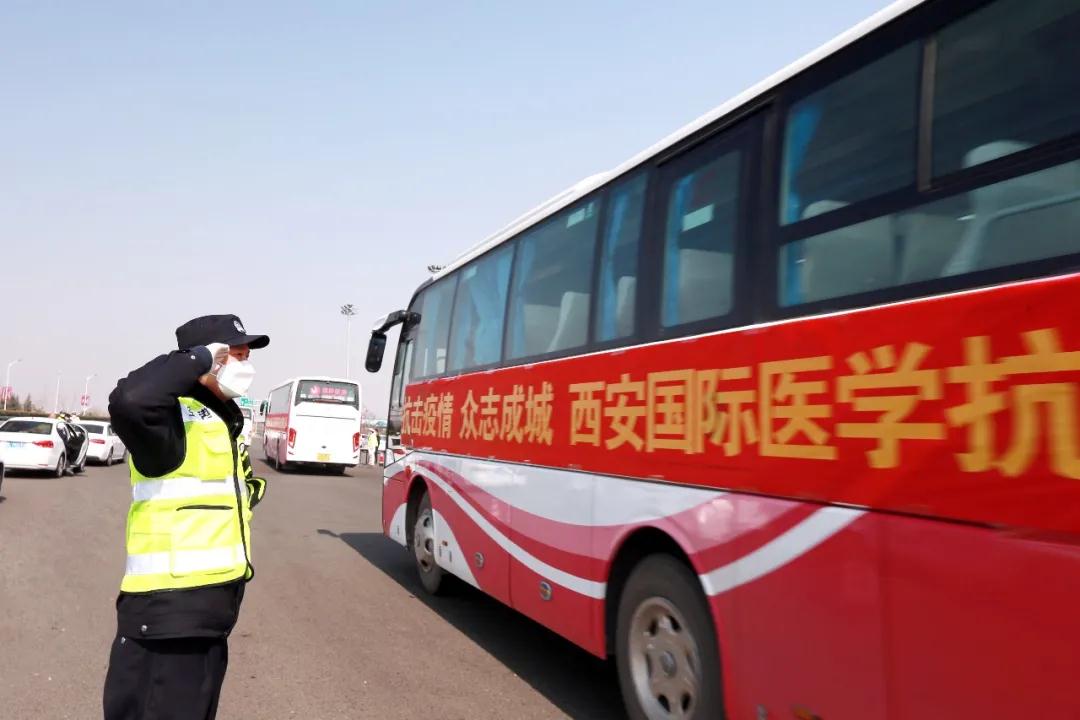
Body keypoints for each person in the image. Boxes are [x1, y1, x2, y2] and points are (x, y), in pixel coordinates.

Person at [103, 314, 270, 720]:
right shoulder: (169, 421)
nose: (244, 365)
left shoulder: (220, 421)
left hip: (206, 619)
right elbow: (129, 400)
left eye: (246, 356)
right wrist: (197, 359)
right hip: (166, 619)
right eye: (233, 355)